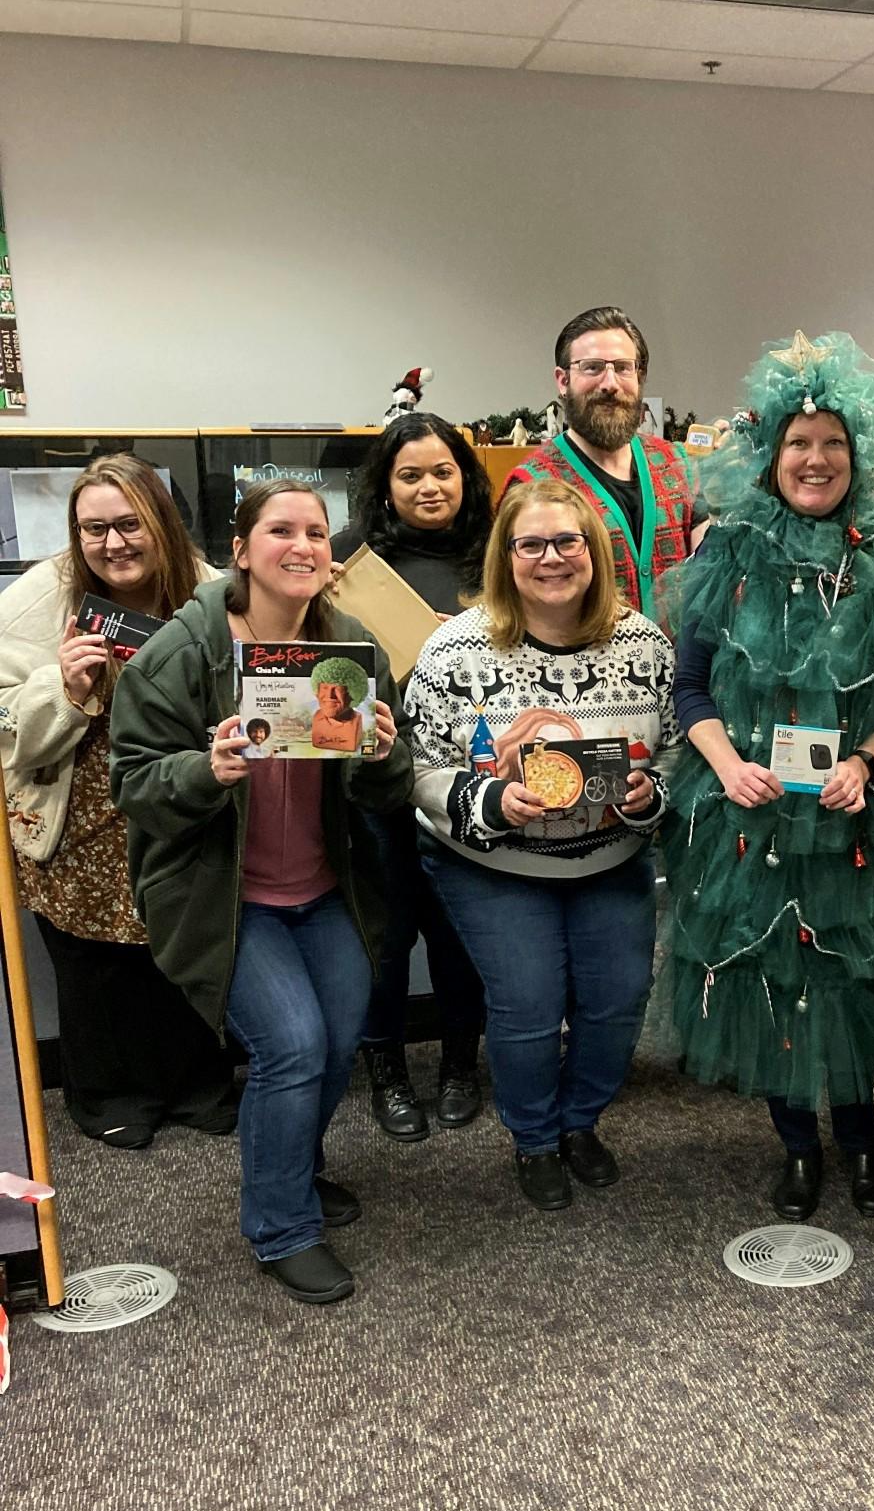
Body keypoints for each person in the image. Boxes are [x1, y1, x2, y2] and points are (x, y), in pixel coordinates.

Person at [662, 330, 874, 1221]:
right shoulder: (726, 553)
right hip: (750, 816)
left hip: (861, 815)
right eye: (799, 443)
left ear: (856, 453)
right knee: (772, 975)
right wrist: (727, 767)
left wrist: (871, 762)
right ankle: (798, 1147)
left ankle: (870, 1142)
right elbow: (689, 687)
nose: (816, 458)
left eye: (833, 443)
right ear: (772, 454)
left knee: (862, 978)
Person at [110, 480, 412, 1306]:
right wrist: (203, 771)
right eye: (281, 530)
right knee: (291, 1046)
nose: (303, 545)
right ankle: (281, 1225)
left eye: (317, 531)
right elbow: (133, 785)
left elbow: (389, 792)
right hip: (224, 898)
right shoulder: (183, 651)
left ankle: (292, 1171)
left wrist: (382, 753)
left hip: (324, 890)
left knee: (340, 1036)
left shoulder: (351, 649)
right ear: (241, 550)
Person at [404, 477, 677, 1213]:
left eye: (569, 541)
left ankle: (579, 1121)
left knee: (619, 1002)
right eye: (532, 544)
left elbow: (678, 753)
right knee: (526, 1005)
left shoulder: (644, 643)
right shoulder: (454, 648)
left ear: (594, 551)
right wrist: (490, 798)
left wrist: (653, 796)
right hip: (495, 862)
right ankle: (533, 1137)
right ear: (506, 555)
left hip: (611, 855)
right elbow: (419, 764)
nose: (552, 557)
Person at [0, 453, 234, 1150]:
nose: (113, 543)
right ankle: (108, 1092)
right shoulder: (34, 602)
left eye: (129, 524)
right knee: (95, 966)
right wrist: (64, 690)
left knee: (186, 941)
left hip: (180, 798)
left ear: (161, 523)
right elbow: (8, 728)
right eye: (94, 529)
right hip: (77, 810)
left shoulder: (212, 592)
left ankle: (197, 1082)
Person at [335, 413, 490, 1141]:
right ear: (385, 487)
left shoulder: (501, 554)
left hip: (474, 780)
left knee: (461, 932)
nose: (429, 487)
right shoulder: (347, 558)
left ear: (464, 476)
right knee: (385, 937)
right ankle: (387, 1070)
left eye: (442, 472)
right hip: (378, 784)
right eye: (410, 475)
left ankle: (461, 1061)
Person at [502, 307, 695, 622]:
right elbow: (518, 601)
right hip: (587, 667)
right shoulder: (533, 484)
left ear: (640, 377)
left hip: (684, 669)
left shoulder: (678, 465)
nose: (610, 383)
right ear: (562, 381)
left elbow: (717, 573)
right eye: (592, 368)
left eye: (623, 368)